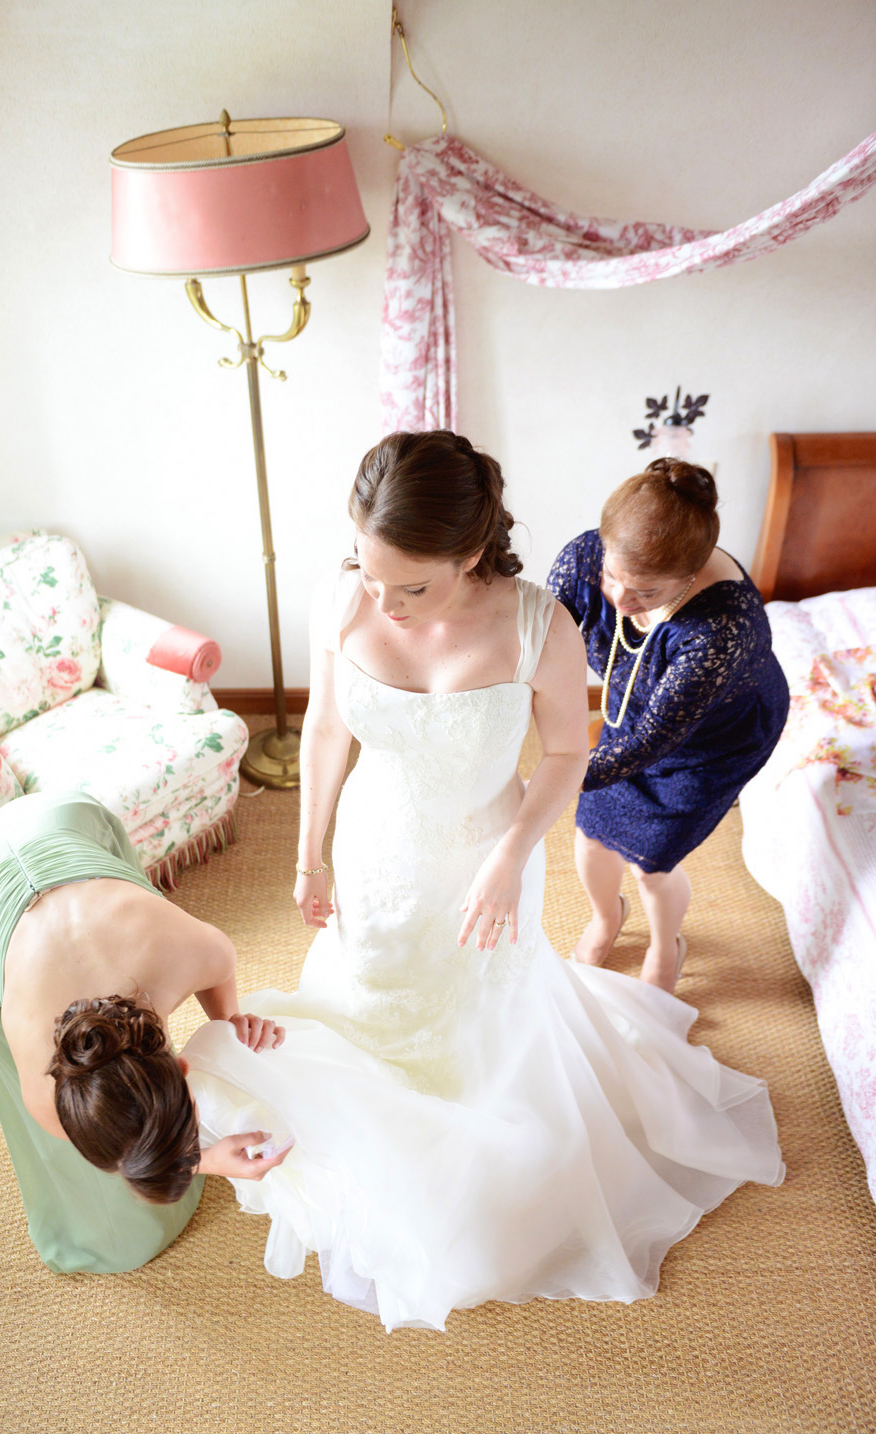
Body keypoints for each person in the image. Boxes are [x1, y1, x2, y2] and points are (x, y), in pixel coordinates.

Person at [180, 430, 784, 1332]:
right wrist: (308, 853)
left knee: (478, 1007)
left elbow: (569, 754)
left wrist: (510, 859)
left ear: (471, 555)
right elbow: (326, 733)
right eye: (369, 572)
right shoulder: (344, 598)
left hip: (487, 853)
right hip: (377, 845)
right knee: (376, 983)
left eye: (412, 587)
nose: (383, 604)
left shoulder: (542, 624)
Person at [0, 789, 289, 1275]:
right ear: (179, 1066)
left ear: (180, 1066)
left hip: (64, 818)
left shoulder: (186, 953)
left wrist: (229, 1027)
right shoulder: (45, 1094)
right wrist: (206, 1160)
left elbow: (220, 972)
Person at [547, 458, 790, 992]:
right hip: (632, 710)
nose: (620, 600)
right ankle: (608, 918)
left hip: (711, 741)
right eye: (613, 576)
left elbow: (653, 741)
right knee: (590, 836)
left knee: (651, 863)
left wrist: (549, 777)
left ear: (691, 575)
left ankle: (666, 946)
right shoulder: (584, 557)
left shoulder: (721, 632)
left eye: (647, 593)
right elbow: (539, 645)